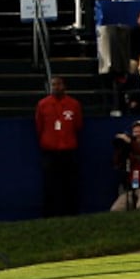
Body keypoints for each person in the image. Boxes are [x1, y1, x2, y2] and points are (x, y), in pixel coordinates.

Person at [35, 76, 83, 217]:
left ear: (64, 86)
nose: (56, 87)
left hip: (68, 150)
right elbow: (39, 126)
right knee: (50, 184)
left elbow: (78, 125)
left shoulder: (73, 104)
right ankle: (50, 214)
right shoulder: (42, 104)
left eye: (59, 84)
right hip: (50, 151)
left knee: (70, 183)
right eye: (53, 84)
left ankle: (71, 212)